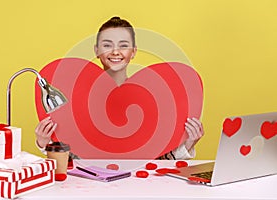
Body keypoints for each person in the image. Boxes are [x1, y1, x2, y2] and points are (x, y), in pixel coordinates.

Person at [35, 16, 204, 160]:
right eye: (107, 45)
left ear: (134, 52)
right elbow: (73, 160)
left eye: (123, 45)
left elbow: (158, 160)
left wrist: (188, 144)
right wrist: (45, 143)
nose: (116, 52)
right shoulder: (75, 99)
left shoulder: (151, 98)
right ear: (96, 51)